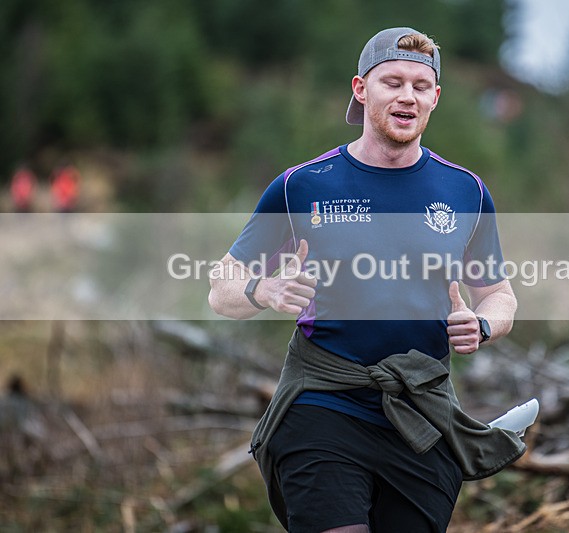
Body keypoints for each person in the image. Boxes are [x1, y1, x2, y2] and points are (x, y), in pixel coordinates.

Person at [209, 27, 521, 533]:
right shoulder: (303, 185)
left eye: (421, 86)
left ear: (435, 98)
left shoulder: (465, 191)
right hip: (323, 403)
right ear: (360, 89)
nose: (407, 96)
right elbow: (222, 285)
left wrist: (483, 325)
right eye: (392, 81)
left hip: (422, 416)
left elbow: (499, 294)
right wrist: (263, 290)